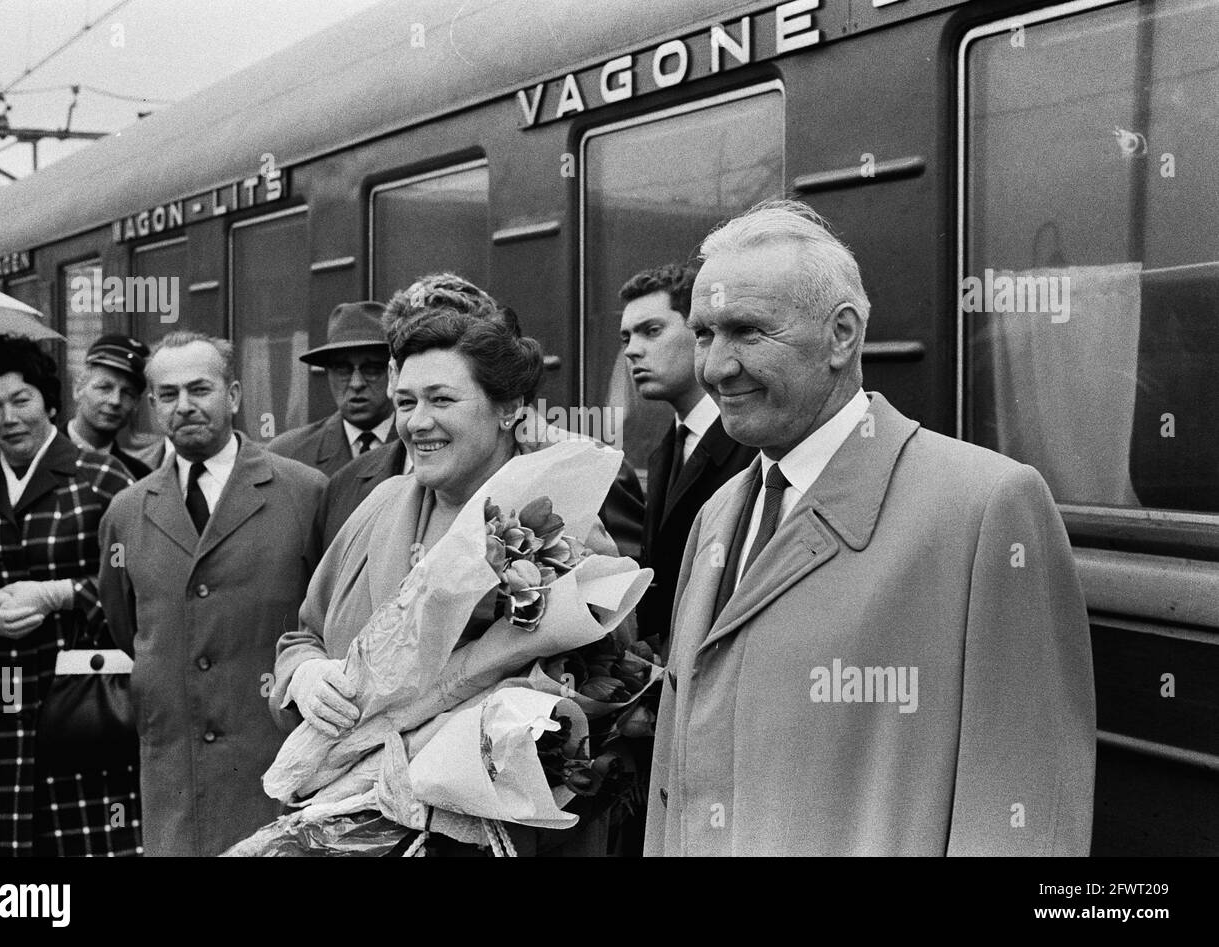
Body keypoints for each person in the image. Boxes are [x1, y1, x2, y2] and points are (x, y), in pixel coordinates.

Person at [645, 200, 1096, 856]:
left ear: (842, 334)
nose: (714, 367)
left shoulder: (988, 507)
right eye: (704, 333)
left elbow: (1021, 814)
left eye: (745, 331)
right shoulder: (718, 513)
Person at [271, 300, 626, 856]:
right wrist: (306, 675)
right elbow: (302, 637)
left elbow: (601, 705)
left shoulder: (564, 527)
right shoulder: (378, 505)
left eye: (442, 400)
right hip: (344, 831)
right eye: (407, 402)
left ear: (508, 408)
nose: (416, 422)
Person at [98, 331, 326, 857]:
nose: (184, 406)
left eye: (199, 389)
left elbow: (327, 623)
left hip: (275, 763)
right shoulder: (126, 513)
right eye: (168, 394)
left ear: (234, 396)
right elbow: (126, 624)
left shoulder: (303, 493)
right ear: (152, 406)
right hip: (175, 774)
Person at [0, 334, 141, 856]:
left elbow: (140, 582)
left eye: (21, 401)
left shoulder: (102, 480)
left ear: (48, 402)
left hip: (85, 711)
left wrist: (63, 594)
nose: (8, 418)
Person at [317, 276, 646, 555]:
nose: (419, 420)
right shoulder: (348, 486)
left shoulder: (589, 471)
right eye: (415, 350)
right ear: (394, 372)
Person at [619, 262, 755, 651]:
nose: (632, 350)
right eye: (626, 337)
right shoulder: (667, 449)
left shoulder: (750, 448)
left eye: (652, 331)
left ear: (701, 334)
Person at [269, 301, 395, 476]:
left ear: (394, 371)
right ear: (328, 373)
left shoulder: (420, 447)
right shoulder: (287, 455)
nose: (356, 383)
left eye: (372, 368)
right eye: (342, 369)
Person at [66, 334, 153, 480]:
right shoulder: (39, 453)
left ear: (136, 404)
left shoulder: (138, 476)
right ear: (77, 389)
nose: (115, 401)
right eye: (104, 387)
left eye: (127, 393)